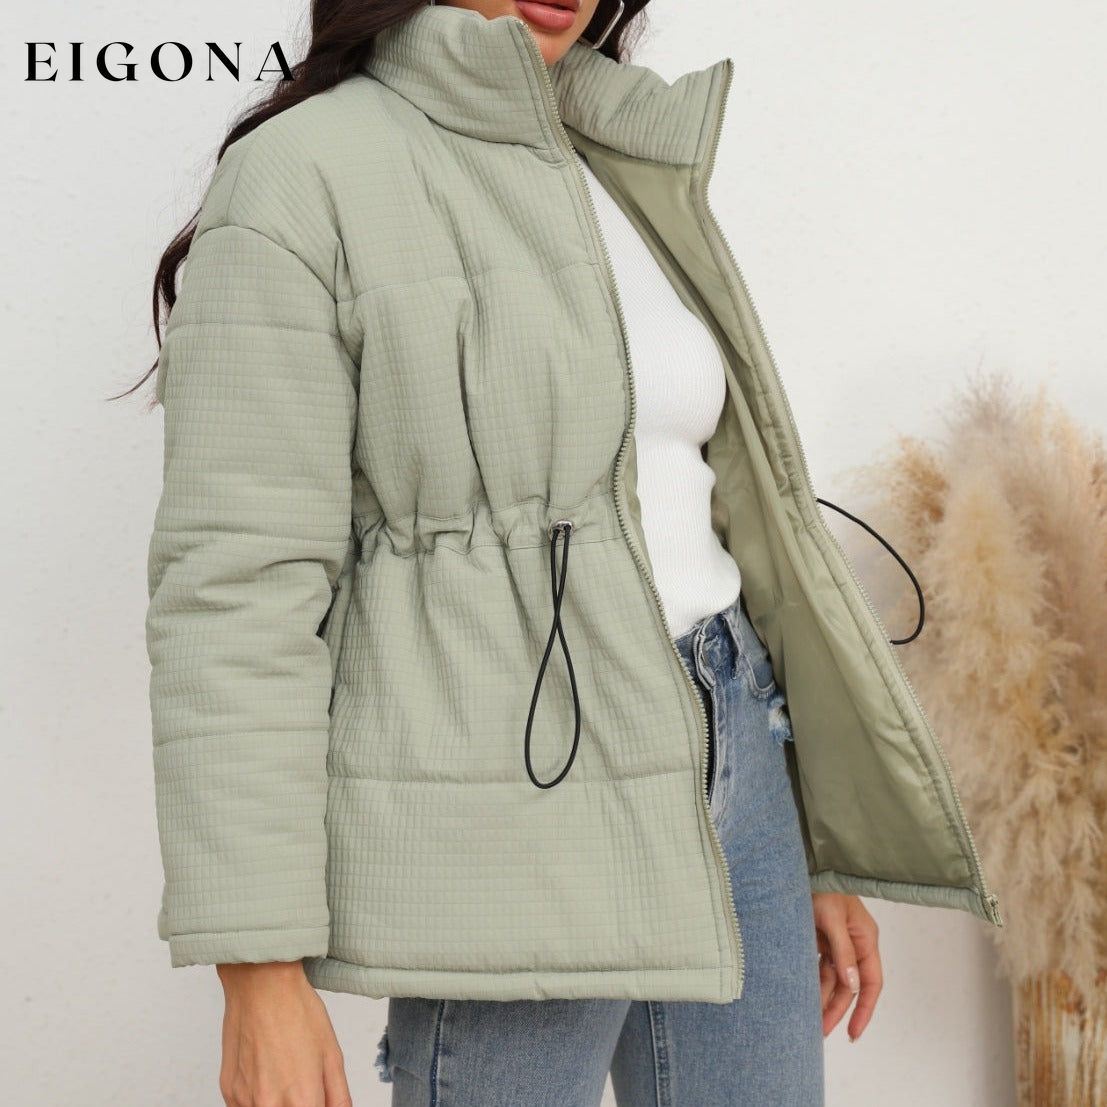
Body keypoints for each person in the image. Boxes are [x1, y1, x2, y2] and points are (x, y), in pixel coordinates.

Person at [125, 1, 1003, 1104]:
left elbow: (720, 502)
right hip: (509, 793)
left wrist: (808, 837)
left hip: (731, 741)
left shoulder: (617, 148)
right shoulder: (304, 172)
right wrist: (255, 969)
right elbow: (235, 593)